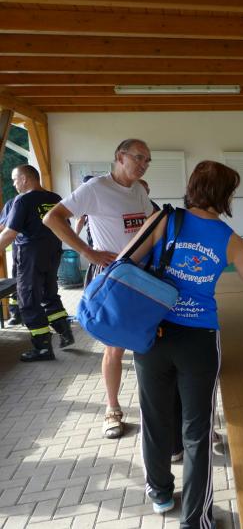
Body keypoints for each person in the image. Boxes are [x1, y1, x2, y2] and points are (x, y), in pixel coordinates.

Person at [121, 160, 243, 525]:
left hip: (152, 333)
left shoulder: (164, 219)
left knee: (154, 417)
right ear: (225, 195)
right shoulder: (230, 240)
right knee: (197, 431)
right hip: (198, 340)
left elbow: (125, 263)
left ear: (194, 188)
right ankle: (195, 520)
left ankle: (160, 493)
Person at [44, 138, 155, 439]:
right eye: (139, 157)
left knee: (148, 343)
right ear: (120, 156)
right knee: (114, 346)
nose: (144, 164)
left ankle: (155, 408)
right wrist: (88, 252)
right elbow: (52, 218)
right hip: (114, 280)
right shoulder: (96, 188)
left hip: (141, 278)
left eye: (147, 160)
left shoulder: (138, 191)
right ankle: (112, 409)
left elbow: (149, 227)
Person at [0, 165, 74, 361]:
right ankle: (65, 332)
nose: (14, 184)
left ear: (25, 179)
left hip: (30, 256)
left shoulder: (22, 200)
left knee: (28, 300)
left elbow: (9, 233)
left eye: (15, 179)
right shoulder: (55, 198)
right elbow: (64, 226)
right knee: (49, 295)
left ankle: (42, 348)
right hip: (52, 254)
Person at [0, 195, 21, 325]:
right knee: (17, 280)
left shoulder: (48, 199)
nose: (14, 185)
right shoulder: (12, 203)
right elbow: (3, 226)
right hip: (19, 250)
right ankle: (16, 313)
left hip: (43, 252)